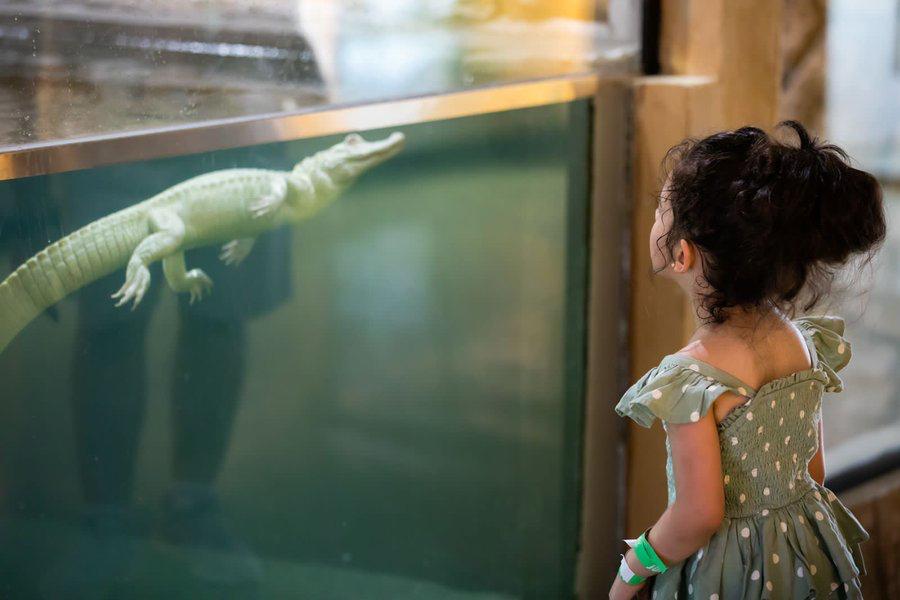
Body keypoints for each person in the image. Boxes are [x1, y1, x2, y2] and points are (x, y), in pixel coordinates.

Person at [609, 120, 887, 600]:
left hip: (729, 573)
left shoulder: (690, 378)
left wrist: (634, 568)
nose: (653, 217)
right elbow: (811, 472)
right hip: (808, 561)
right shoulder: (800, 342)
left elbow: (698, 516)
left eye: (660, 208)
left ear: (681, 255)